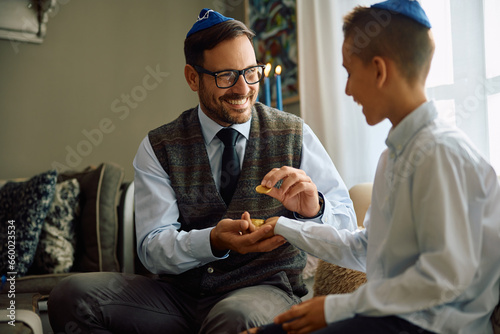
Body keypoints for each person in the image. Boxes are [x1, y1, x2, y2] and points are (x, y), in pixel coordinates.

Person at [47, 8, 356, 334]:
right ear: (192, 77)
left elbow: (347, 227)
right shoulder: (159, 146)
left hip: (267, 290)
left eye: (251, 72)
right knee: (70, 295)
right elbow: (153, 248)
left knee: (234, 317)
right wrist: (212, 241)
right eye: (226, 76)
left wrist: (315, 209)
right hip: (177, 298)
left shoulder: (294, 134)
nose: (243, 89)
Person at [246, 1, 500, 333]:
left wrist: (340, 306)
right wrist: (282, 226)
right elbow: (367, 248)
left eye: (350, 73)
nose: (348, 89)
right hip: (392, 319)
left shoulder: (441, 153)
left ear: (379, 70)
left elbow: (443, 279)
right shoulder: (393, 156)